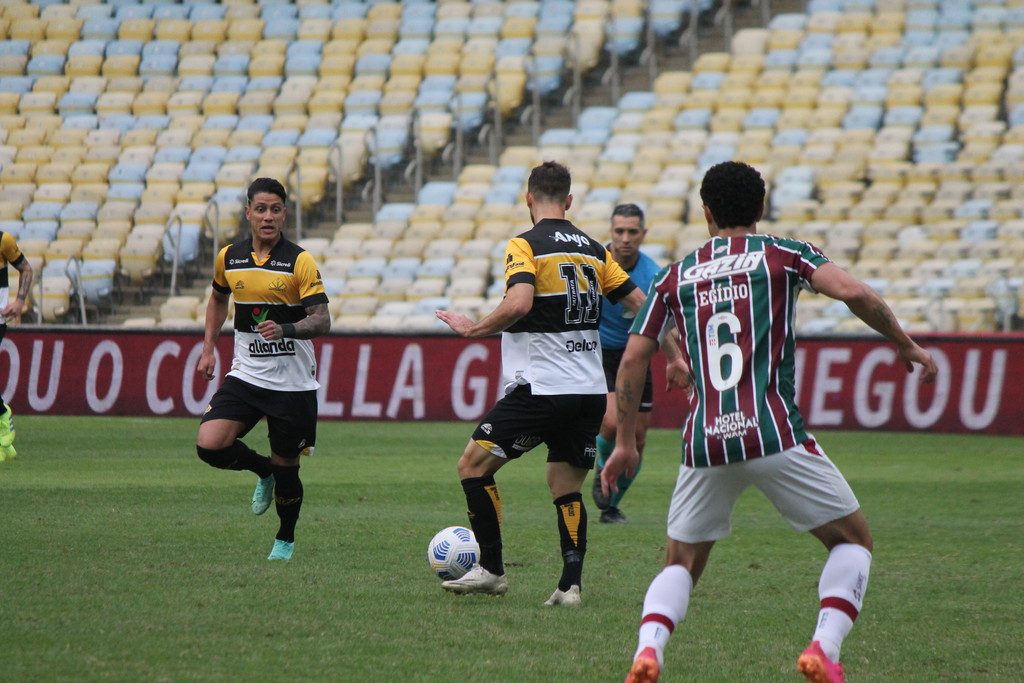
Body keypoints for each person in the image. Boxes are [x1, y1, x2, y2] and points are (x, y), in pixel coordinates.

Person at [604, 161, 938, 683]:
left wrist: (625, 443)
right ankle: (823, 648)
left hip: (705, 442)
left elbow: (632, 361)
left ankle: (648, 652)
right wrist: (904, 343)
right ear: (760, 209)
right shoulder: (786, 255)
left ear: (706, 212)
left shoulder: (675, 276)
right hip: (773, 432)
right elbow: (856, 293)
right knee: (852, 542)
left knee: (681, 563)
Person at [435, 161, 649, 606]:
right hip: (589, 392)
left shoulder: (525, 244)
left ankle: (491, 569)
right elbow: (643, 305)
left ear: (528, 198)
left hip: (542, 388)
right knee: (564, 486)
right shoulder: (594, 250)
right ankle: (570, 585)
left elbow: (519, 302)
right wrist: (675, 355)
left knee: (472, 466)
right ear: (569, 201)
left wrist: (474, 329)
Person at [195, 177, 330, 561]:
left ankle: (285, 539)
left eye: (275, 210)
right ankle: (262, 470)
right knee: (210, 445)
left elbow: (322, 321)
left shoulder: (299, 261)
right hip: (246, 375)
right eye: (261, 209)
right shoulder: (229, 257)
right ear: (248, 213)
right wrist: (208, 349)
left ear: (284, 214)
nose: (268, 217)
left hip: (292, 385)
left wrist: (286, 328)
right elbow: (218, 300)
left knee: (289, 469)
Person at [591, 203, 664, 525]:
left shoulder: (652, 275)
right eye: (619, 231)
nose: (625, 238)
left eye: (632, 232)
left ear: (643, 234)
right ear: (610, 232)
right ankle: (602, 469)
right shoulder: (594, 265)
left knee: (639, 439)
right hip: (598, 354)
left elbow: (667, 323)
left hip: (636, 357)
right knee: (611, 421)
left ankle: (611, 505)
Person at [0, 229, 33, 462]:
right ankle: (5, 447)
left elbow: (26, 268)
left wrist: (20, 300)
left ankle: (3, 414)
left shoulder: (4, 240)